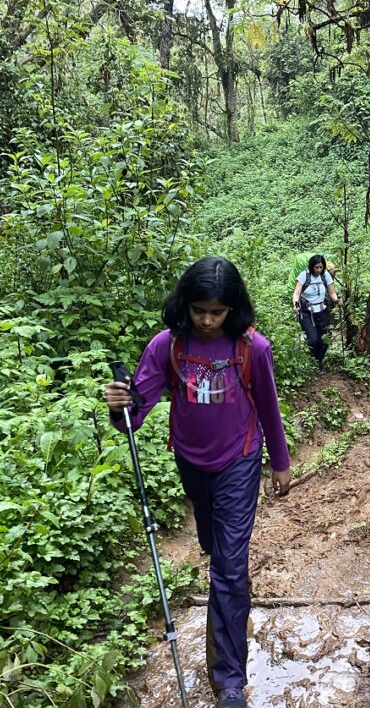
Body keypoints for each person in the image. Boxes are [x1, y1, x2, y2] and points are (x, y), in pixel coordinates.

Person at [103, 257, 291, 708]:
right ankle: (228, 595)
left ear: (233, 309)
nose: (207, 320)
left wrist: (279, 462)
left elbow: (268, 406)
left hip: (239, 459)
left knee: (228, 565)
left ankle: (230, 681)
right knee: (212, 543)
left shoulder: (252, 348)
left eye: (217, 312)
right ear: (184, 305)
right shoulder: (167, 346)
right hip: (190, 460)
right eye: (199, 310)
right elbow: (133, 416)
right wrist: (118, 404)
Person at [292, 254, 339, 369]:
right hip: (306, 312)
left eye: (321, 267)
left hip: (322, 311)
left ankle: (318, 360)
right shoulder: (304, 275)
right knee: (313, 339)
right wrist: (296, 305)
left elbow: (331, 292)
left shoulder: (325, 275)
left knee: (325, 339)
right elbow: (296, 294)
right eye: (316, 267)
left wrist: (337, 300)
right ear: (311, 266)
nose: (318, 270)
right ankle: (313, 359)